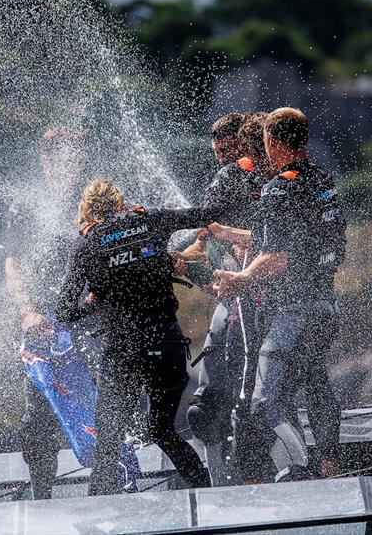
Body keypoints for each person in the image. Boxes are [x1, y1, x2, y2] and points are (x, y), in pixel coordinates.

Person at [56, 179, 215, 495]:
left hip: (124, 351)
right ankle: (208, 502)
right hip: (167, 345)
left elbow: (64, 310)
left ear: (87, 209)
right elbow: (201, 214)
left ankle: (93, 518)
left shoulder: (86, 244)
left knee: (109, 441)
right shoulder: (149, 219)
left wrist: (91, 301)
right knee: (162, 429)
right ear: (121, 203)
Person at [213, 107, 345, 481]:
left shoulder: (278, 189)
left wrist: (239, 279)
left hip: (292, 314)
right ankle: (326, 468)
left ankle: (297, 472)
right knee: (311, 384)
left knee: (262, 404)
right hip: (326, 308)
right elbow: (297, 244)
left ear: (272, 142)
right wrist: (229, 233)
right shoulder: (323, 181)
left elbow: (276, 257)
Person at [178, 112, 265, 486]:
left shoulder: (256, 177)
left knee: (253, 401)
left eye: (229, 149)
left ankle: (269, 476)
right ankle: (219, 487)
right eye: (217, 151)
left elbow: (263, 240)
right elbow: (204, 239)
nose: (222, 158)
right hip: (229, 298)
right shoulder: (233, 177)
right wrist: (182, 257)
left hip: (254, 300)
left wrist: (233, 251)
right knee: (205, 404)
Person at [4, 126, 87, 499]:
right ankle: (43, 498)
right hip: (40, 322)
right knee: (36, 419)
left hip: (86, 322)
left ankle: (108, 492)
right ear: (46, 162)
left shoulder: (92, 201)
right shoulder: (26, 205)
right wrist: (28, 311)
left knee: (97, 407)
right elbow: (12, 265)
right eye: (66, 158)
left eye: (78, 156)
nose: (74, 164)